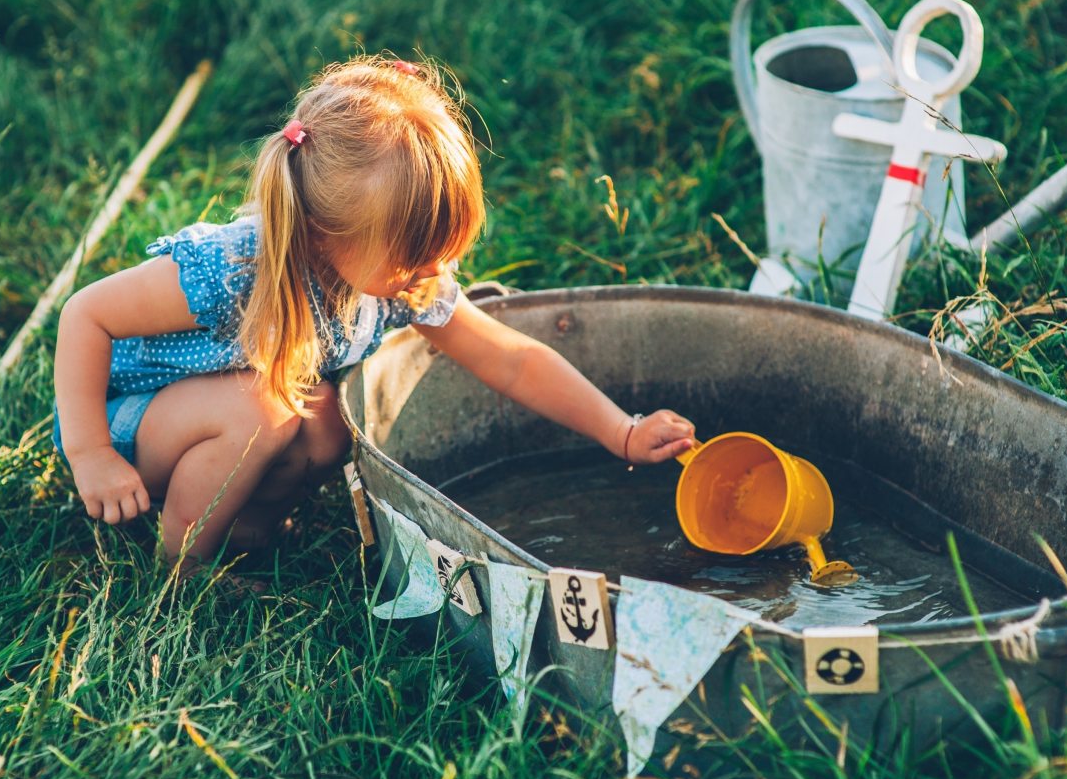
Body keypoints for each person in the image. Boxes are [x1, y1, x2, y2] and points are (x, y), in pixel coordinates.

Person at [53, 55, 696, 562]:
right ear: (318, 236)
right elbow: (86, 314)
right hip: (126, 424)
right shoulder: (234, 268)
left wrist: (623, 431)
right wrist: (91, 455)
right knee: (263, 407)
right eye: (415, 256)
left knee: (329, 420)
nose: (435, 274)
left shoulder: (403, 280)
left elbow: (513, 362)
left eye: (442, 251)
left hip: (221, 418)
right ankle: (179, 567)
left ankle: (241, 525)